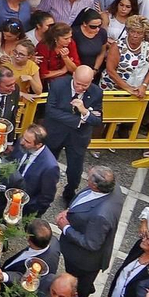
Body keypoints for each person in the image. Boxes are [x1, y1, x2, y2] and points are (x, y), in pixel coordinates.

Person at [58, 166, 123, 297]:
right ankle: (88, 284)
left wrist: (65, 228)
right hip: (83, 240)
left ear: (95, 185)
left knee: (79, 286)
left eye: (89, 176)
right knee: (85, 281)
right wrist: (70, 210)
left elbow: (91, 243)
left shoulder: (101, 215)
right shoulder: (113, 188)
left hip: (82, 260)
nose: (86, 177)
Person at [44, 65, 104, 202]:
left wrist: (84, 111)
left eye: (85, 85)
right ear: (73, 76)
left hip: (78, 137)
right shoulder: (58, 85)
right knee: (48, 164)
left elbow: (97, 120)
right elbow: (51, 111)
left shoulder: (97, 92)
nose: (80, 88)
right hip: (55, 133)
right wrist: (78, 120)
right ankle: (44, 189)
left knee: (75, 171)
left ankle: (69, 193)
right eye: (78, 84)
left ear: (91, 80)